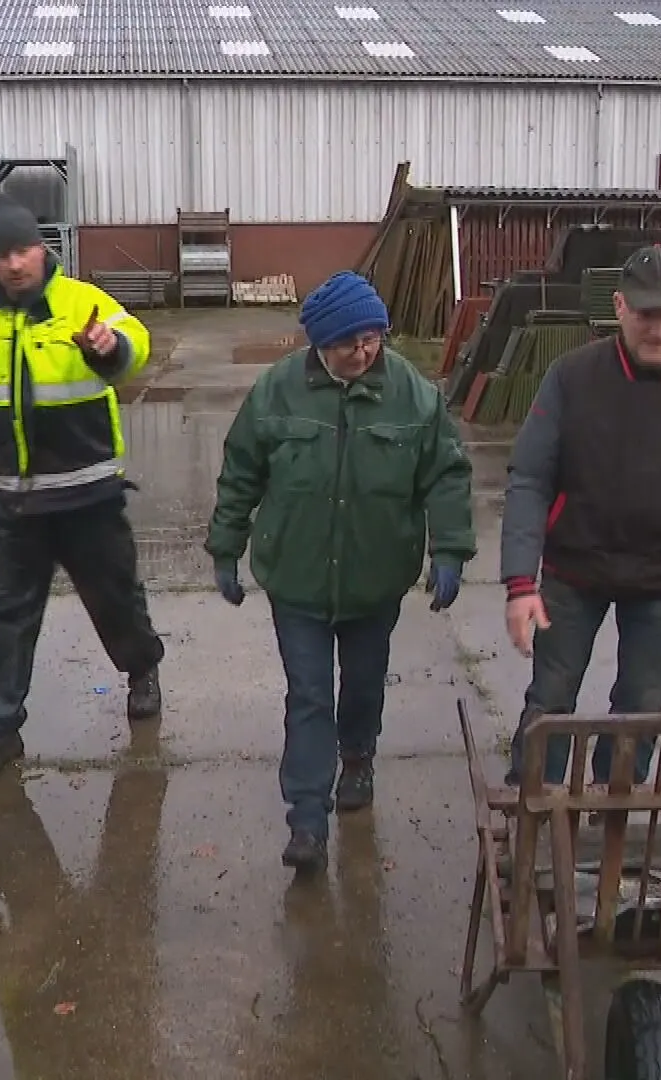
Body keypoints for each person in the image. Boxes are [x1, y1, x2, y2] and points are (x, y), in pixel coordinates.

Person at [206, 271, 475, 873]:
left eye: (373, 338)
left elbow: (446, 474)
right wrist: (226, 546)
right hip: (296, 578)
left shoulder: (413, 394)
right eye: (349, 342)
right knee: (308, 695)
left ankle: (358, 756)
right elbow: (241, 471)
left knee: (362, 684)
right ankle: (306, 818)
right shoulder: (277, 392)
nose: (364, 351)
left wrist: (450, 549)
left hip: (375, 578)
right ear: (319, 344)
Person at [500, 246, 661, 787]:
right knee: (552, 696)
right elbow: (529, 477)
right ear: (619, 306)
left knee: (640, 707)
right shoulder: (572, 378)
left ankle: (613, 802)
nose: (658, 330)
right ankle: (534, 799)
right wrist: (521, 581)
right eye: (645, 314)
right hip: (574, 574)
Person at [0, 198, 166, 784]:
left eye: (22, 251)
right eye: (0, 255)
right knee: (0, 619)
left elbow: (135, 345)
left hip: (87, 495)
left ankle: (141, 669)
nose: (14, 265)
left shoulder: (81, 302)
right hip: (13, 504)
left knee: (115, 599)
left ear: (42, 250)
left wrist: (107, 347)